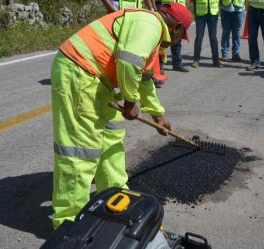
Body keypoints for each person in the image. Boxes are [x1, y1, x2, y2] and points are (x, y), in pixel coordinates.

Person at [50, 3, 193, 229]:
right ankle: (69, 222)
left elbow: (145, 79)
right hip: (78, 70)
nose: (176, 43)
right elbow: (128, 62)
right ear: (175, 27)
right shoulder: (150, 25)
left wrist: (158, 115)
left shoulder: (150, 37)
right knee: (81, 149)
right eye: (181, 36)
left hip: (98, 79)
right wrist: (129, 101)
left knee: (111, 140)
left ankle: (114, 198)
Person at [191, 0, 221, 68]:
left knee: (213, 38)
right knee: (199, 37)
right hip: (200, 13)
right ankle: (196, 60)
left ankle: (216, 61)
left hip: (213, 12)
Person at [161, 0, 190, 72]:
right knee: (162, 41)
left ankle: (177, 64)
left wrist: (185, 10)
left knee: (177, 41)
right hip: (168, 13)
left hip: (180, 14)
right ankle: (159, 67)